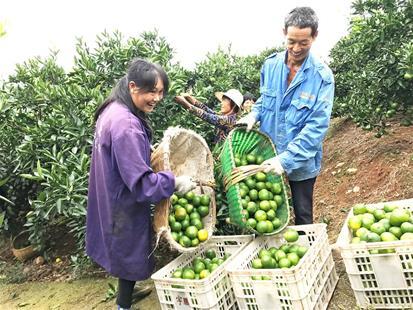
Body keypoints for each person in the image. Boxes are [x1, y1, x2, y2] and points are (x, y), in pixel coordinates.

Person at [86, 58, 196, 310]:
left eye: (160, 92)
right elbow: (144, 185)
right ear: (133, 87)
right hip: (121, 200)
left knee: (124, 249)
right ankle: (122, 306)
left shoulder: (114, 108)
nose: (157, 98)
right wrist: (175, 182)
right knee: (128, 247)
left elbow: (127, 158)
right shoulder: (126, 125)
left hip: (111, 190)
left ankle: (126, 294)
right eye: (151, 91)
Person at [238, 7, 335, 225]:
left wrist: (286, 160)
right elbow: (265, 99)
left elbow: (317, 127)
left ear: (314, 37)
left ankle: (309, 253)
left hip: (301, 161)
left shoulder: (322, 77)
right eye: (291, 41)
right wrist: (254, 114)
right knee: (267, 211)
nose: (296, 48)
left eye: (303, 42)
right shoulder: (270, 65)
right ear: (284, 33)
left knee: (303, 215)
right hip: (268, 154)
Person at [174, 89, 244, 144]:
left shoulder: (230, 120)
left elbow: (207, 116)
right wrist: (191, 99)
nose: (221, 103)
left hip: (222, 158)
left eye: (225, 101)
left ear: (233, 105)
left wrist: (185, 103)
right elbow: (208, 111)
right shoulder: (225, 116)